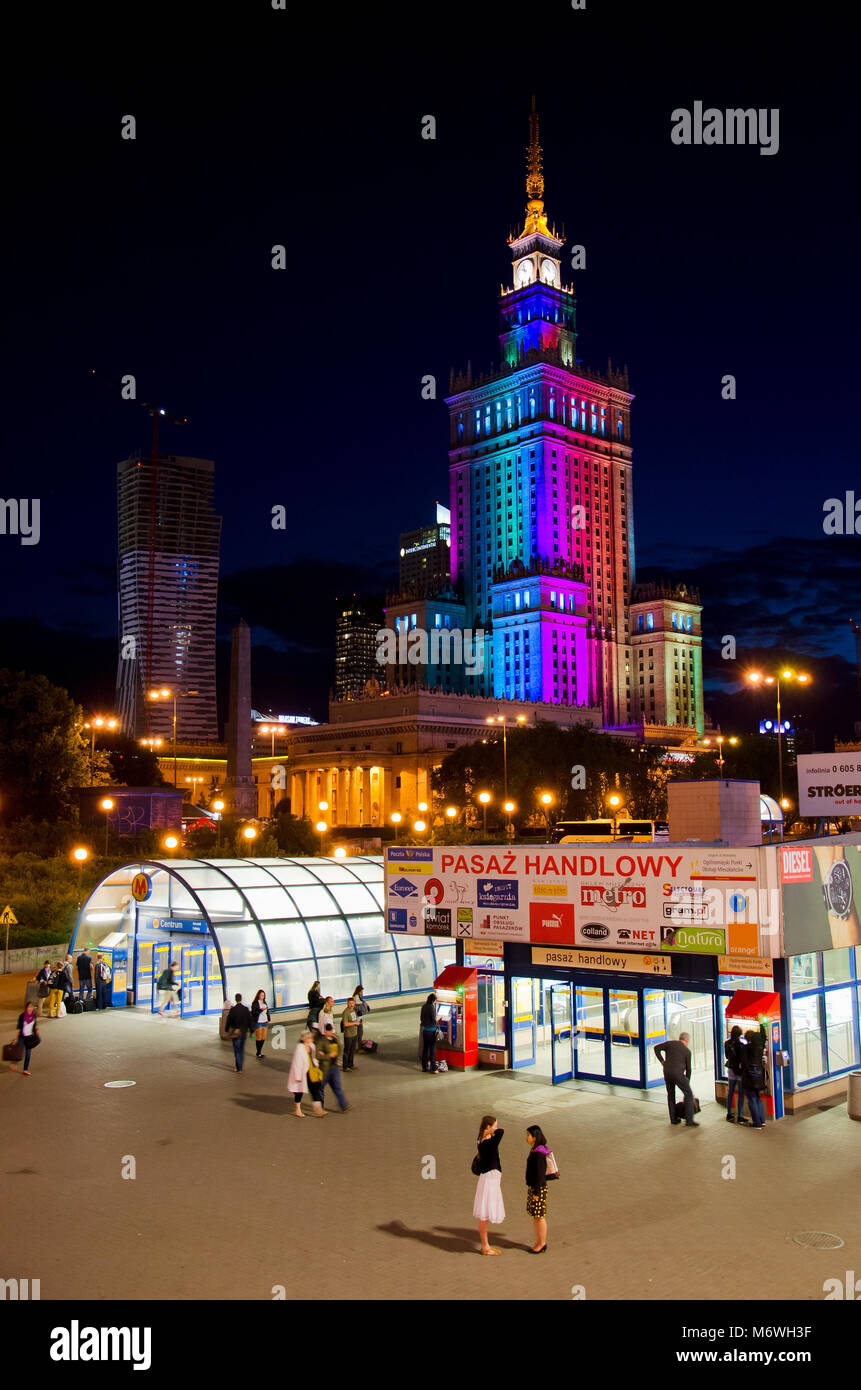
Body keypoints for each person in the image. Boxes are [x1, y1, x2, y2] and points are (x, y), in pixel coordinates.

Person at [473, 1115, 505, 1255]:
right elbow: (501, 1132)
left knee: (484, 1213)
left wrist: (488, 1133)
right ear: (487, 1127)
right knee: (485, 1213)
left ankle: (485, 1245)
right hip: (489, 1180)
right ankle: (485, 1247)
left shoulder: (481, 1139)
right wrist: (491, 1132)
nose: (496, 1128)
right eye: (494, 1125)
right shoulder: (488, 1142)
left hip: (488, 1179)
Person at [654, 1033, 699, 1127]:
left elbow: (656, 1048)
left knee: (671, 1094)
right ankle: (689, 1121)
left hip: (667, 1072)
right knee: (689, 1094)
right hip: (678, 1074)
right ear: (687, 1041)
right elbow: (688, 1069)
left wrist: (662, 1061)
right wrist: (687, 1082)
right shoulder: (687, 1051)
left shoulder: (670, 1044)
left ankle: (673, 1119)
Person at [287, 1030, 325, 1117]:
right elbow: (297, 1063)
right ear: (305, 1039)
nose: (311, 1039)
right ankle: (297, 1110)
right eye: (309, 1038)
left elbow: (314, 1058)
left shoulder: (312, 1046)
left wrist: (316, 1065)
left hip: (311, 1070)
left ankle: (318, 1110)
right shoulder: (300, 1048)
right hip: (302, 1073)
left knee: (315, 1089)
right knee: (299, 1092)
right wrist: (298, 1076)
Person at [525, 1125, 550, 1253]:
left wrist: (536, 1192)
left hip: (538, 1189)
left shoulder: (539, 1153)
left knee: (539, 1217)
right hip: (536, 1188)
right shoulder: (536, 1150)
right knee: (536, 1216)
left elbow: (540, 1175)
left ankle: (542, 1243)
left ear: (535, 1137)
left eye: (528, 1135)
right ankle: (539, 1241)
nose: (526, 1138)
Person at [741, 1024, 769, 1130]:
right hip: (759, 1077)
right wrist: (762, 1024)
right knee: (758, 1098)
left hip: (749, 1078)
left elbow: (743, 1062)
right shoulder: (760, 1047)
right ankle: (762, 1121)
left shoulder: (746, 1048)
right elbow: (763, 1036)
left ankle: (756, 1122)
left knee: (752, 1099)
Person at [317, 1023, 348, 1112]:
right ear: (325, 1031)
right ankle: (320, 1107)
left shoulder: (335, 1039)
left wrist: (339, 1059)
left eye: (331, 1031)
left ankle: (343, 1105)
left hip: (334, 1068)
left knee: (337, 1087)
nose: (330, 1032)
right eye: (329, 1031)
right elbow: (317, 1055)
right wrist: (328, 1055)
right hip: (325, 1069)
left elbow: (341, 1048)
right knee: (320, 1088)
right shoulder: (321, 1041)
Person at [724, 1025, 748, 1124]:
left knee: (730, 1092)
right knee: (741, 1094)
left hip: (730, 1069)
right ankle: (740, 1115)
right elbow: (743, 1059)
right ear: (739, 1035)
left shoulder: (727, 1043)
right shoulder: (741, 1045)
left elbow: (726, 1056)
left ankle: (729, 1113)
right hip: (739, 1071)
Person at [225, 993, 253, 1072]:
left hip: (235, 1033)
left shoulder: (233, 1010)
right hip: (243, 1032)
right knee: (241, 1050)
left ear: (235, 999)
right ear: (241, 999)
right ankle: (240, 1066)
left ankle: (238, 1067)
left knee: (236, 1050)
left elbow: (228, 1020)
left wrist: (226, 1030)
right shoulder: (245, 1009)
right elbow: (249, 1020)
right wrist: (251, 1031)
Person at [16, 1001, 41, 1075]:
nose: (30, 1008)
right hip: (22, 1036)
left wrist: (36, 1030)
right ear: (26, 1008)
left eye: (31, 1007)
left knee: (28, 1054)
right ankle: (14, 1063)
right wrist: (16, 1038)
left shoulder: (34, 1016)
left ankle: (25, 1069)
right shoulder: (22, 1016)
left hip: (29, 1037)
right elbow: (18, 1027)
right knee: (18, 1051)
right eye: (29, 1007)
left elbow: (34, 1025)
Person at [420, 992, 438, 1073]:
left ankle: (424, 1067)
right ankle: (433, 1068)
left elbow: (421, 1018)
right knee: (432, 1050)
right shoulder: (431, 1007)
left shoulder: (423, 1006)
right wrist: (438, 1019)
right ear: (433, 1001)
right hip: (431, 1032)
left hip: (425, 1031)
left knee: (425, 1049)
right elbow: (434, 1021)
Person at [250, 989, 271, 1058]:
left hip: (265, 1022)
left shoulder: (264, 1002)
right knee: (258, 1038)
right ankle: (258, 1052)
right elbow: (253, 1013)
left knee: (263, 1038)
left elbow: (267, 1011)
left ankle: (259, 1051)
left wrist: (268, 1018)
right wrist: (260, 1010)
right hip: (258, 1022)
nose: (263, 996)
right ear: (258, 995)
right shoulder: (255, 1003)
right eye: (262, 995)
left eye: (264, 995)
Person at [341, 997, 360, 1070]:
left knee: (352, 1050)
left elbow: (354, 1019)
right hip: (348, 1035)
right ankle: (345, 1066)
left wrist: (357, 1022)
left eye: (352, 1003)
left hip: (354, 1033)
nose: (351, 1005)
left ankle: (351, 1064)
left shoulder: (353, 1011)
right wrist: (355, 1023)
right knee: (347, 1050)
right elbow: (345, 1024)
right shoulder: (346, 1012)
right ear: (347, 1004)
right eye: (350, 1003)